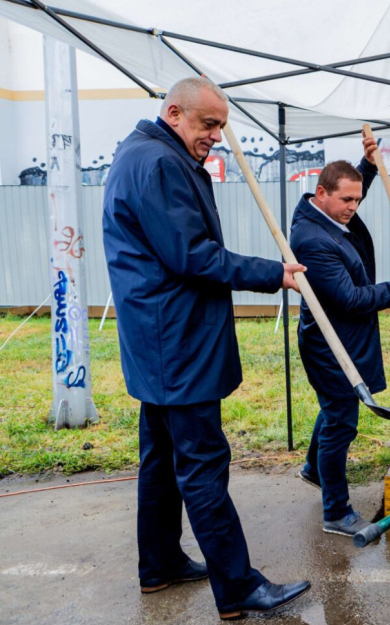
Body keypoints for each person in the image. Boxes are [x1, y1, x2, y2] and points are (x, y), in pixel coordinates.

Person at [103, 77, 312, 620]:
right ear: (174, 113)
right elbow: (193, 256)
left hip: (158, 339)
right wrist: (275, 274)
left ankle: (160, 564)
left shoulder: (140, 153)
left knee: (161, 457)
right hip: (178, 341)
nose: (216, 136)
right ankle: (238, 588)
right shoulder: (160, 164)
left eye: (220, 126)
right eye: (207, 125)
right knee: (201, 464)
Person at [290, 151, 390, 536]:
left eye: (357, 199)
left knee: (335, 407)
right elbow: (350, 299)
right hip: (329, 343)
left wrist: (366, 165)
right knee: (340, 423)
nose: (353, 207)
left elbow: (348, 183)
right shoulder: (314, 240)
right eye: (346, 200)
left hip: (340, 337)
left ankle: (315, 469)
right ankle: (335, 511)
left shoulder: (319, 214)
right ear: (321, 193)